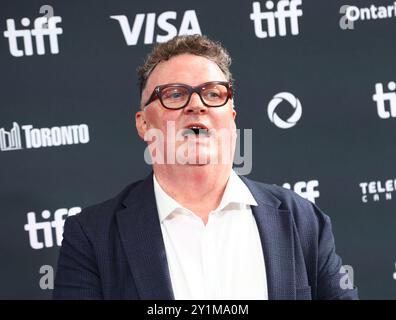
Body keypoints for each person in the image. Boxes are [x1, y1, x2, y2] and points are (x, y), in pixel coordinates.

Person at [53, 34, 358, 300]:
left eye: (213, 93)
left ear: (232, 117)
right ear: (144, 123)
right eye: (174, 94)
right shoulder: (92, 237)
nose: (196, 105)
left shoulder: (302, 220)